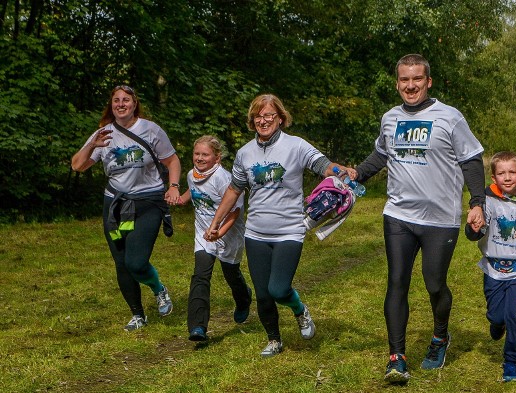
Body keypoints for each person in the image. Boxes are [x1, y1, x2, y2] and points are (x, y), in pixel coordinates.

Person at [344, 54, 486, 384]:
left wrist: (477, 202)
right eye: (405, 80)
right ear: (397, 83)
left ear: (428, 81)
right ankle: (397, 357)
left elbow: (472, 161)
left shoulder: (450, 118)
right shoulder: (390, 118)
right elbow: (382, 153)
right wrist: (358, 174)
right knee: (397, 281)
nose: (411, 86)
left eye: (417, 79)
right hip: (398, 215)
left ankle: (439, 337)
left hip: (440, 218)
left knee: (434, 283)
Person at [204, 94, 346, 358]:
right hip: (256, 233)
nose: (263, 120)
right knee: (263, 294)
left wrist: (341, 171)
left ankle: (299, 310)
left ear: (280, 118)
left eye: (269, 115)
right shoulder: (245, 153)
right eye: (258, 116)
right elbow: (235, 190)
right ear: (252, 120)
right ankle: (274, 339)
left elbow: (323, 165)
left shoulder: (296, 146)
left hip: (289, 230)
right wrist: (215, 223)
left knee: (278, 289)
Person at [71, 85, 181, 331]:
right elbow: (77, 165)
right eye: (116, 100)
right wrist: (92, 146)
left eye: (126, 100)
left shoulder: (151, 130)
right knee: (121, 262)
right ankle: (137, 315)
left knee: (136, 262)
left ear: (134, 104)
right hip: (116, 206)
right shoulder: (103, 134)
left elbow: (172, 160)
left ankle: (158, 288)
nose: (121, 104)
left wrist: (173, 186)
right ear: (111, 105)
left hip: (147, 203)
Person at [465, 151, 516, 382]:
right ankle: (496, 322)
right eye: (501, 173)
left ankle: (511, 362)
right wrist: (473, 228)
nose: (508, 177)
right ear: (493, 177)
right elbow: (474, 233)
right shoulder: (485, 199)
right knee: (496, 316)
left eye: (512, 172)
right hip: (493, 268)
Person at [178, 135, 252, 342]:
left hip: (228, 234)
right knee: (200, 276)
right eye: (196, 154)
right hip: (203, 234)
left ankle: (244, 298)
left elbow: (235, 212)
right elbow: (194, 190)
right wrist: (181, 198)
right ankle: (198, 327)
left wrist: (219, 232)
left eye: (205, 154)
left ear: (217, 158)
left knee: (231, 273)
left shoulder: (224, 179)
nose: (199, 158)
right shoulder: (191, 175)